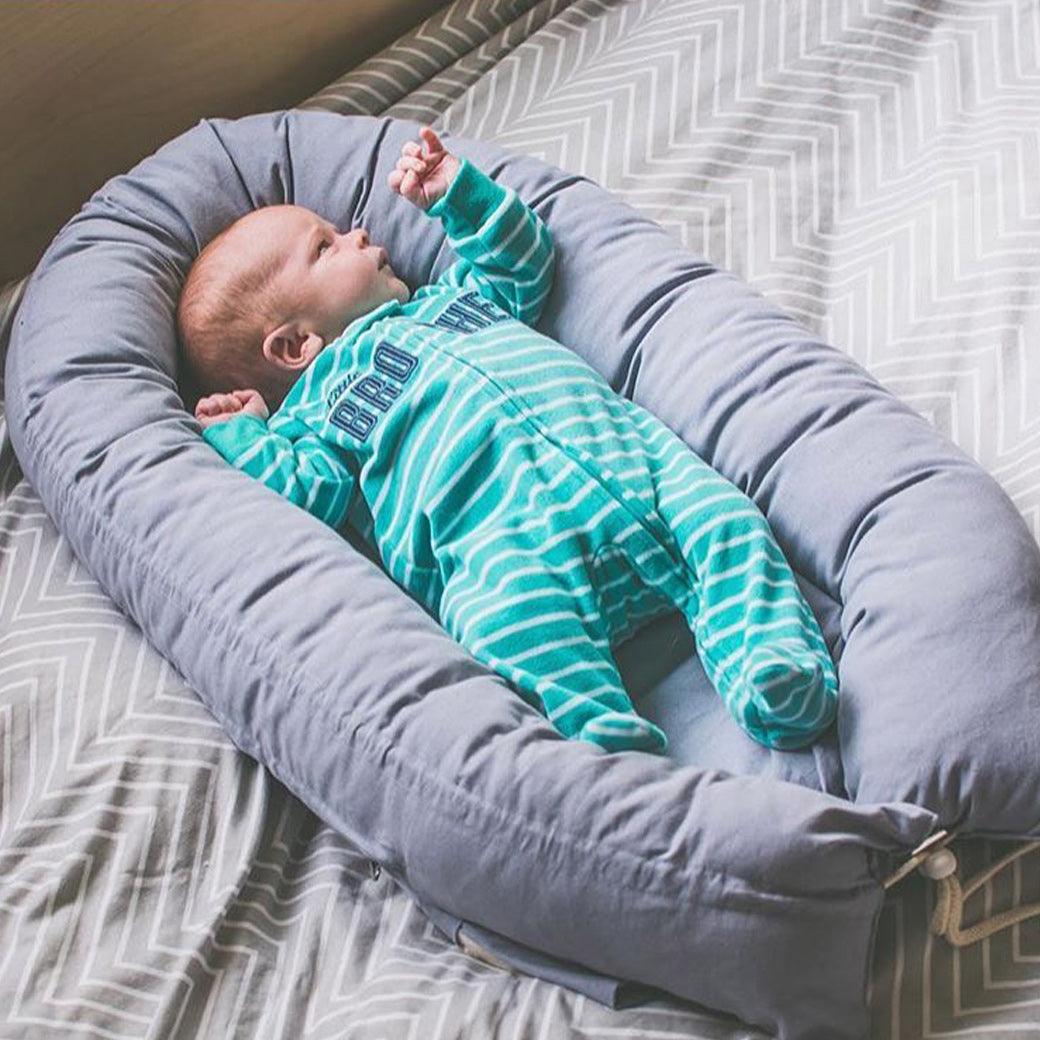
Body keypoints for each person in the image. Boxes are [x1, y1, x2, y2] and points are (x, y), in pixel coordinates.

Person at [178, 125, 838, 755]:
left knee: (725, 521)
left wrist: (459, 195)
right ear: (296, 345)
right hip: (502, 548)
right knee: (510, 632)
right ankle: (606, 753)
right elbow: (305, 495)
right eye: (325, 246)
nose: (357, 233)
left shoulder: (448, 301)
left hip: (631, 462)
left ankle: (771, 663)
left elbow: (523, 264)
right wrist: (245, 435)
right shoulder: (317, 415)